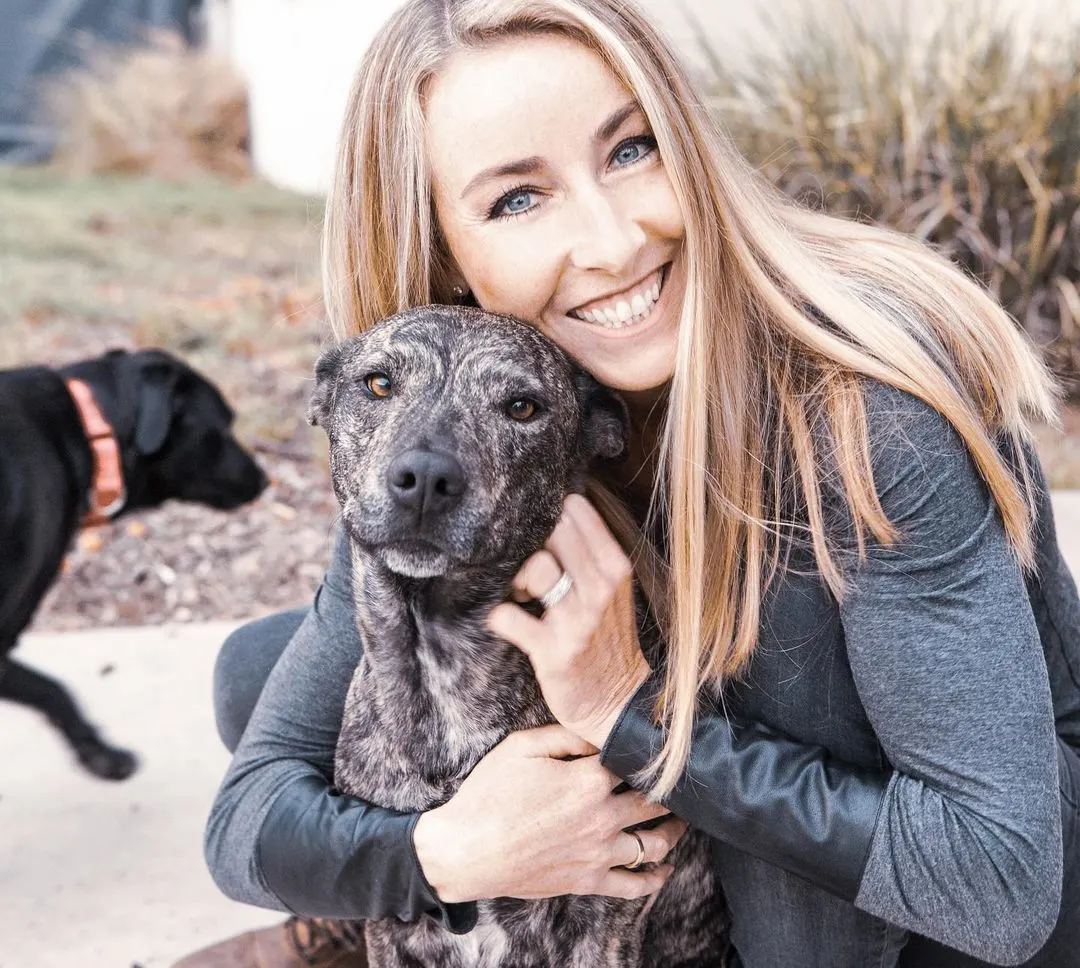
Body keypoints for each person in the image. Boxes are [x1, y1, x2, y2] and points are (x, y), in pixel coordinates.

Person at [173, 1, 1080, 966]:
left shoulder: (870, 423)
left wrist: (627, 714)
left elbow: (1003, 887)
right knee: (276, 675)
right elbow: (246, 827)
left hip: (986, 900)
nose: (611, 242)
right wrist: (449, 854)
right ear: (447, 259)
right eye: (518, 200)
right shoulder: (463, 400)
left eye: (632, 148)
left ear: (688, 145)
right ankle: (363, 929)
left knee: (776, 653)